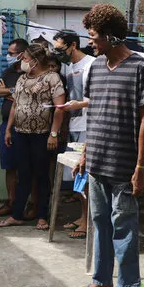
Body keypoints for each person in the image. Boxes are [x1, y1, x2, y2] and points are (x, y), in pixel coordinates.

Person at [74, 4, 144, 287]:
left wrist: (140, 167)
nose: (90, 42)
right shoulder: (94, 67)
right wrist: (85, 152)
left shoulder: (140, 67)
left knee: (124, 227)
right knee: (100, 224)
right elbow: (93, 110)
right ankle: (103, 280)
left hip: (123, 164)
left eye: (93, 36)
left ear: (110, 35)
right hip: (97, 162)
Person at [0, 44, 65, 230]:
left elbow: (59, 109)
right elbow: (15, 105)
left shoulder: (52, 78)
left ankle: (42, 216)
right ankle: (17, 215)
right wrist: (8, 129)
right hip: (21, 134)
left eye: (25, 58)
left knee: (42, 176)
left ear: (35, 61)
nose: (22, 62)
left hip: (42, 135)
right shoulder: (21, 79)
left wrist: (53, 134)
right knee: (23, 175)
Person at [53, 29, 95, 240]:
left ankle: (88, 222)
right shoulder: (68, 66)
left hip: (89, 126)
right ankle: (82, 216)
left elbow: (97, 97)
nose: (57, 53)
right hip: (75, 125)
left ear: (73, 45)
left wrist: (78, 104)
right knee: (78, 176)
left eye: (60, 49)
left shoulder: (91, 65)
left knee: (86, 176)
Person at [0, 38, 29, 217]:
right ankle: (11, 201)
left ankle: (27, 203)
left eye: (11, 53)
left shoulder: (30, 73)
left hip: (26, 126)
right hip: (7, 125)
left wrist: (10, 91)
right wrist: (14, 91)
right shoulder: (9, 71)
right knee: (9, 166)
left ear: (21, 54)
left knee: (27, 166)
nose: (8, 56)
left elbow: (27, 94)